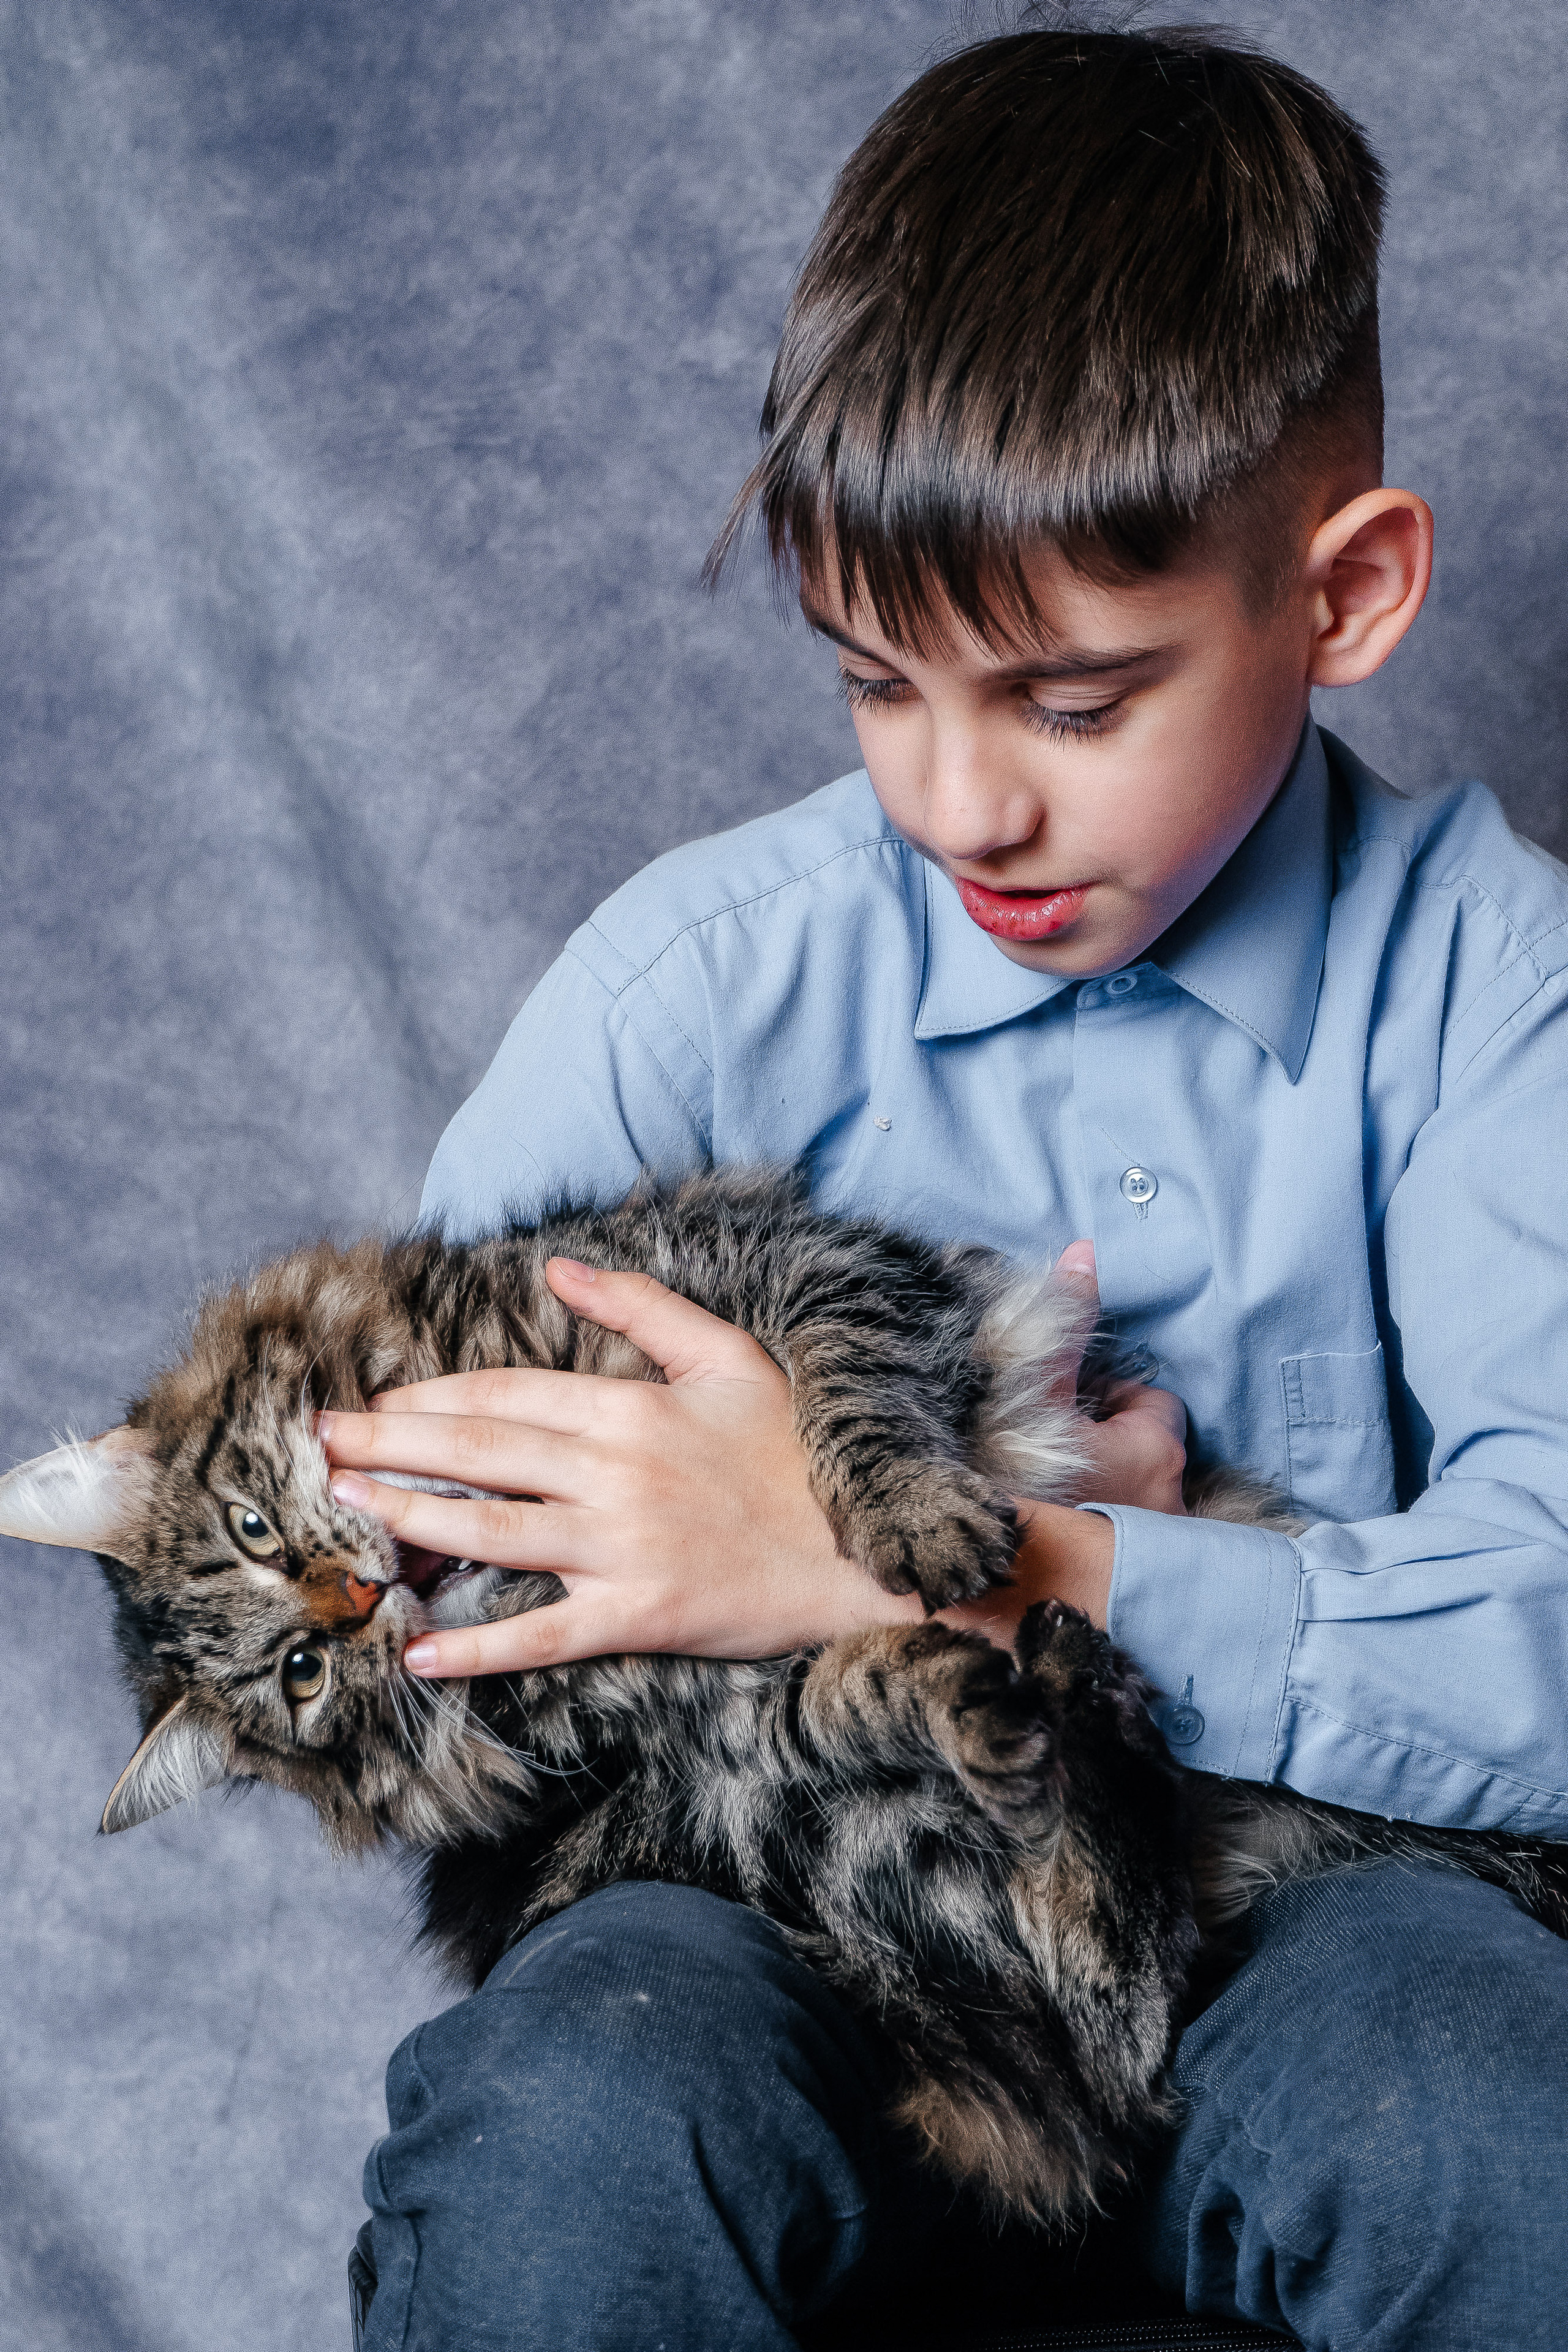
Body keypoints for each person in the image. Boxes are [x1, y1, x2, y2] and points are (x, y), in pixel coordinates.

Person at [327, 26, 1568, 2350]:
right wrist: (774, 1594)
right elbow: (411, 1624)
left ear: (1351, 591)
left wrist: (1042, 1567)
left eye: (1072, 706)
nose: (958, 803)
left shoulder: (1503, 991)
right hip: (775, 1922)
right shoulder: (689, 989)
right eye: (875, 683)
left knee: (1501, 2101)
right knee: (577, 2117)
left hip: (1302, 1919)